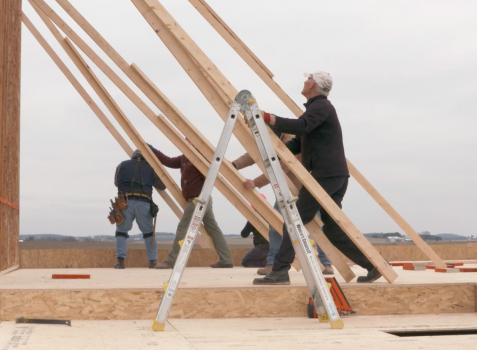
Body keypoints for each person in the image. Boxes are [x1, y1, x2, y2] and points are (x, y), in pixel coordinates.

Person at [252, 72, 383, 285]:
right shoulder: (316, 110)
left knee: (294, 220)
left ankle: (280, 271)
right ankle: (374, 266)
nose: (303, 82)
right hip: (333, 176)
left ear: (312, 85)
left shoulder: (322, 107)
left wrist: (268, 118)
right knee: (332, 230)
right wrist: (277, 151)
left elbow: (301, 127)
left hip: (326, 176)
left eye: (306, 80)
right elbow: (300, 142)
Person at [232, 135, 335, 276]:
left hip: (304, 189)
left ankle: (325, 262)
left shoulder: (288, 139)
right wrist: (234, 165)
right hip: (286, 191)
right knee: (276, 225)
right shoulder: (268, 136)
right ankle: (273, 262)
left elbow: (281, 167)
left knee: (316, 226)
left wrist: (256, 182)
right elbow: (253, 154)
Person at [152, 147, 233, 269]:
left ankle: (172, 260)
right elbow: (168, 161)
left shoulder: (199, 159)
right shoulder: (184, 158)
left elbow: (209, 178)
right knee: (213, 229)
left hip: (198, 200)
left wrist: (201, 197)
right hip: (200, 200)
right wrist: (154, 150)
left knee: (183, 228)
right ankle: (226, 260)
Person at [113, 148, 166, 269]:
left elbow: (117, 183)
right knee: (148, 232)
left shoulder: (122, 165)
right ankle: (153, 261)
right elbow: (162, 186)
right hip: (144, 202)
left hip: (124, 202)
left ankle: (120, 261)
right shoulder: (151, 167)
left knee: (121, 230)